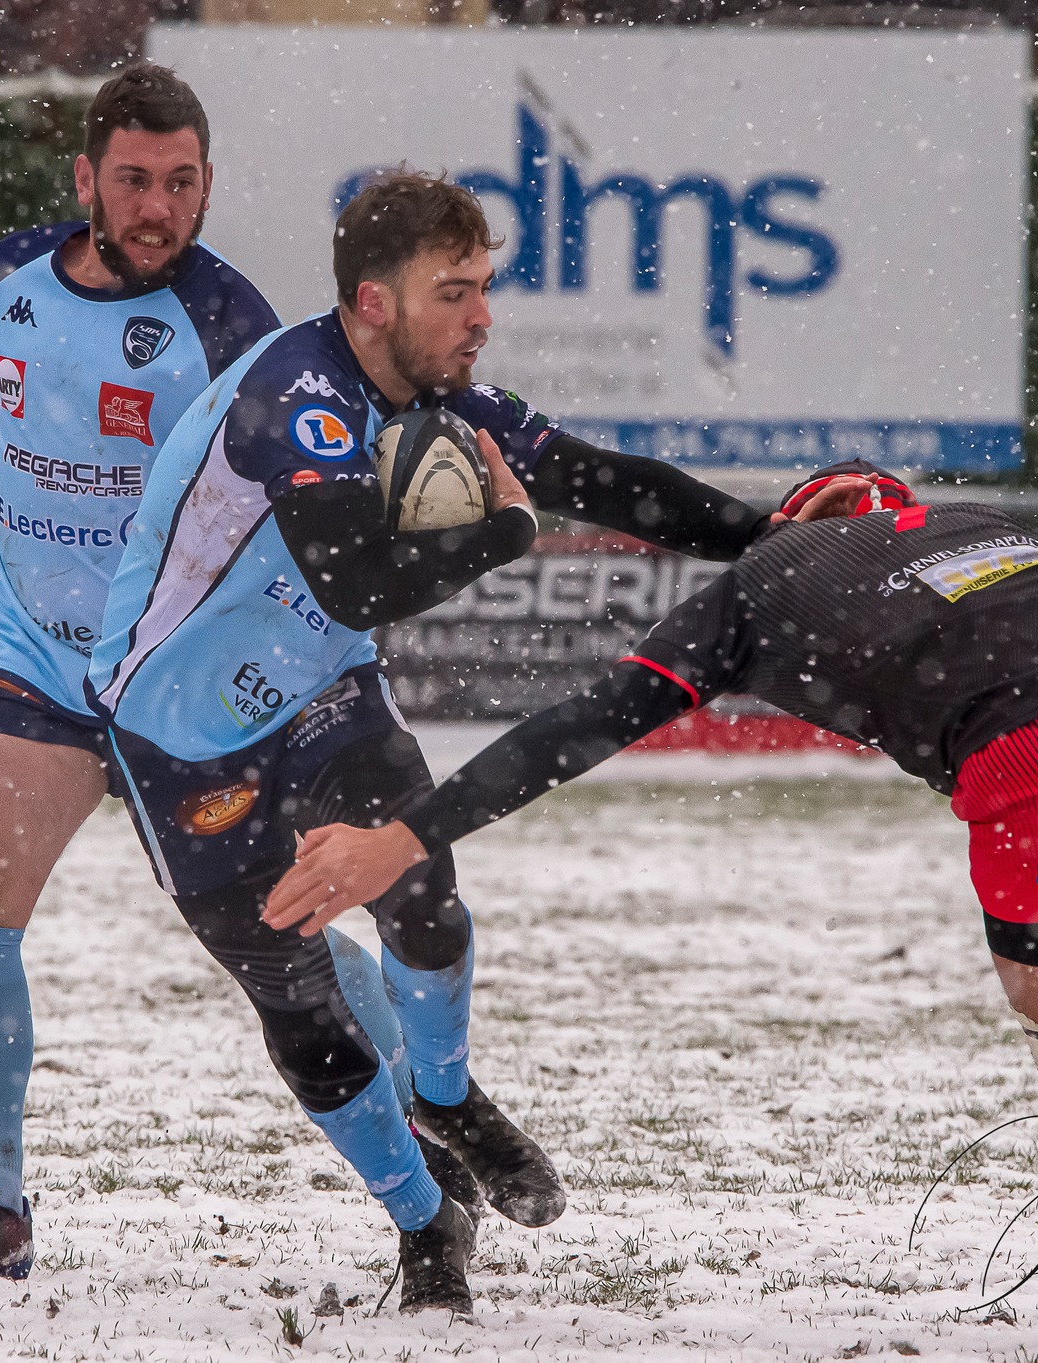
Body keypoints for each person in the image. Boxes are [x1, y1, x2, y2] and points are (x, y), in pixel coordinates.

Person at [271, 463, 1038, 1356]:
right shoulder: (975, 525)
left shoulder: (756, 584)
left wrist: (407, 834)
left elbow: (575, 727)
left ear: (791, 522)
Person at [82, 170, 774, 1316]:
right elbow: (354, 582)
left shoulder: (445, 397)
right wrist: (504, 534)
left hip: (322, 690)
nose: (481, 316)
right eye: (454, 292)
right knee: (301, 1009)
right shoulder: (295, 394)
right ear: (373, 301)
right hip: (178, 733)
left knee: (421, 890)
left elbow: (606, 483)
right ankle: (423, 1217)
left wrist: (771, 533)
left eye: (483, 287)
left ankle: (446, 1093)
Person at [0, 64, 281, 1284]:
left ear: (207, 185)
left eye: (180, 183)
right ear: (85, 180)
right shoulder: (12, 274)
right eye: (132, 180)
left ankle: (427, 1122)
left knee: (280, 936)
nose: (156, 206)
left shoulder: (234, 324)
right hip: (38, 656)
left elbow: (283, 509)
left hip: (178, 676)